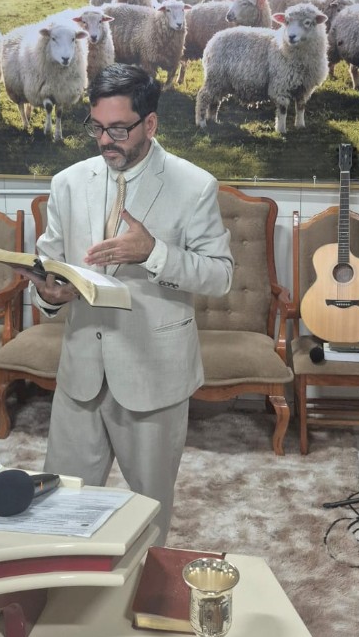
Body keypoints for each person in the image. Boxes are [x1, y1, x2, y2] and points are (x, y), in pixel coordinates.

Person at [30, 63, 233, 543]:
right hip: (80, 371)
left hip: (153, 371)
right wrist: (47, 294)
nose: (105, 141)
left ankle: (139, 586)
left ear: (151, 123)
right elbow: (49, 262)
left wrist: (154, 253)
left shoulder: (194, 185)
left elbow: (221, 276)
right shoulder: (67, 183)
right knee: (58, 510)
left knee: (148, 514)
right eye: (97, 127)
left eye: (119, 129)